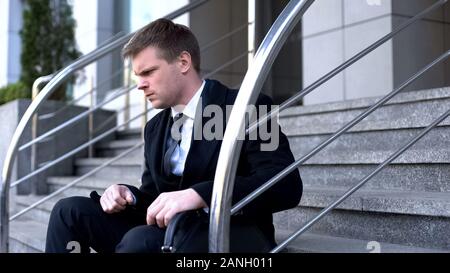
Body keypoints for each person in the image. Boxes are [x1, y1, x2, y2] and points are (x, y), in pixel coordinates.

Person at [45, 18, 302, 253]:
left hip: (230, 233)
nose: (140, 84)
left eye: (148, 72)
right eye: (138, 76)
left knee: (139, 242)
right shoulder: (155, 127)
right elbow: (153, 197)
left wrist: (199, 194)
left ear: (183, 62)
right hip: (167, 232)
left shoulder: (248, 106)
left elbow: (285, 186)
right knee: (68, 211)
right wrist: (128, 195)